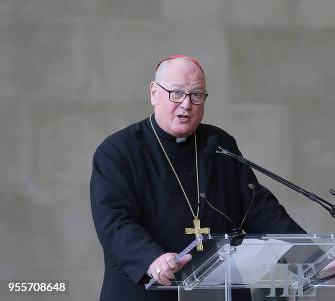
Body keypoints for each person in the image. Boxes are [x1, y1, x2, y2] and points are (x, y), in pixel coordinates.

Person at [90, 55, 304, 301]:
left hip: (219, 293)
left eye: (197, 95)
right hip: (148, 293)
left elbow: (259, 208)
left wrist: (309, 255)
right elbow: (114, 222)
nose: (186, 104)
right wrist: (152, 259)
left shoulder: (218, 144)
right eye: (176, 93)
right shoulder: (118, 151)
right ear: (153, 93)